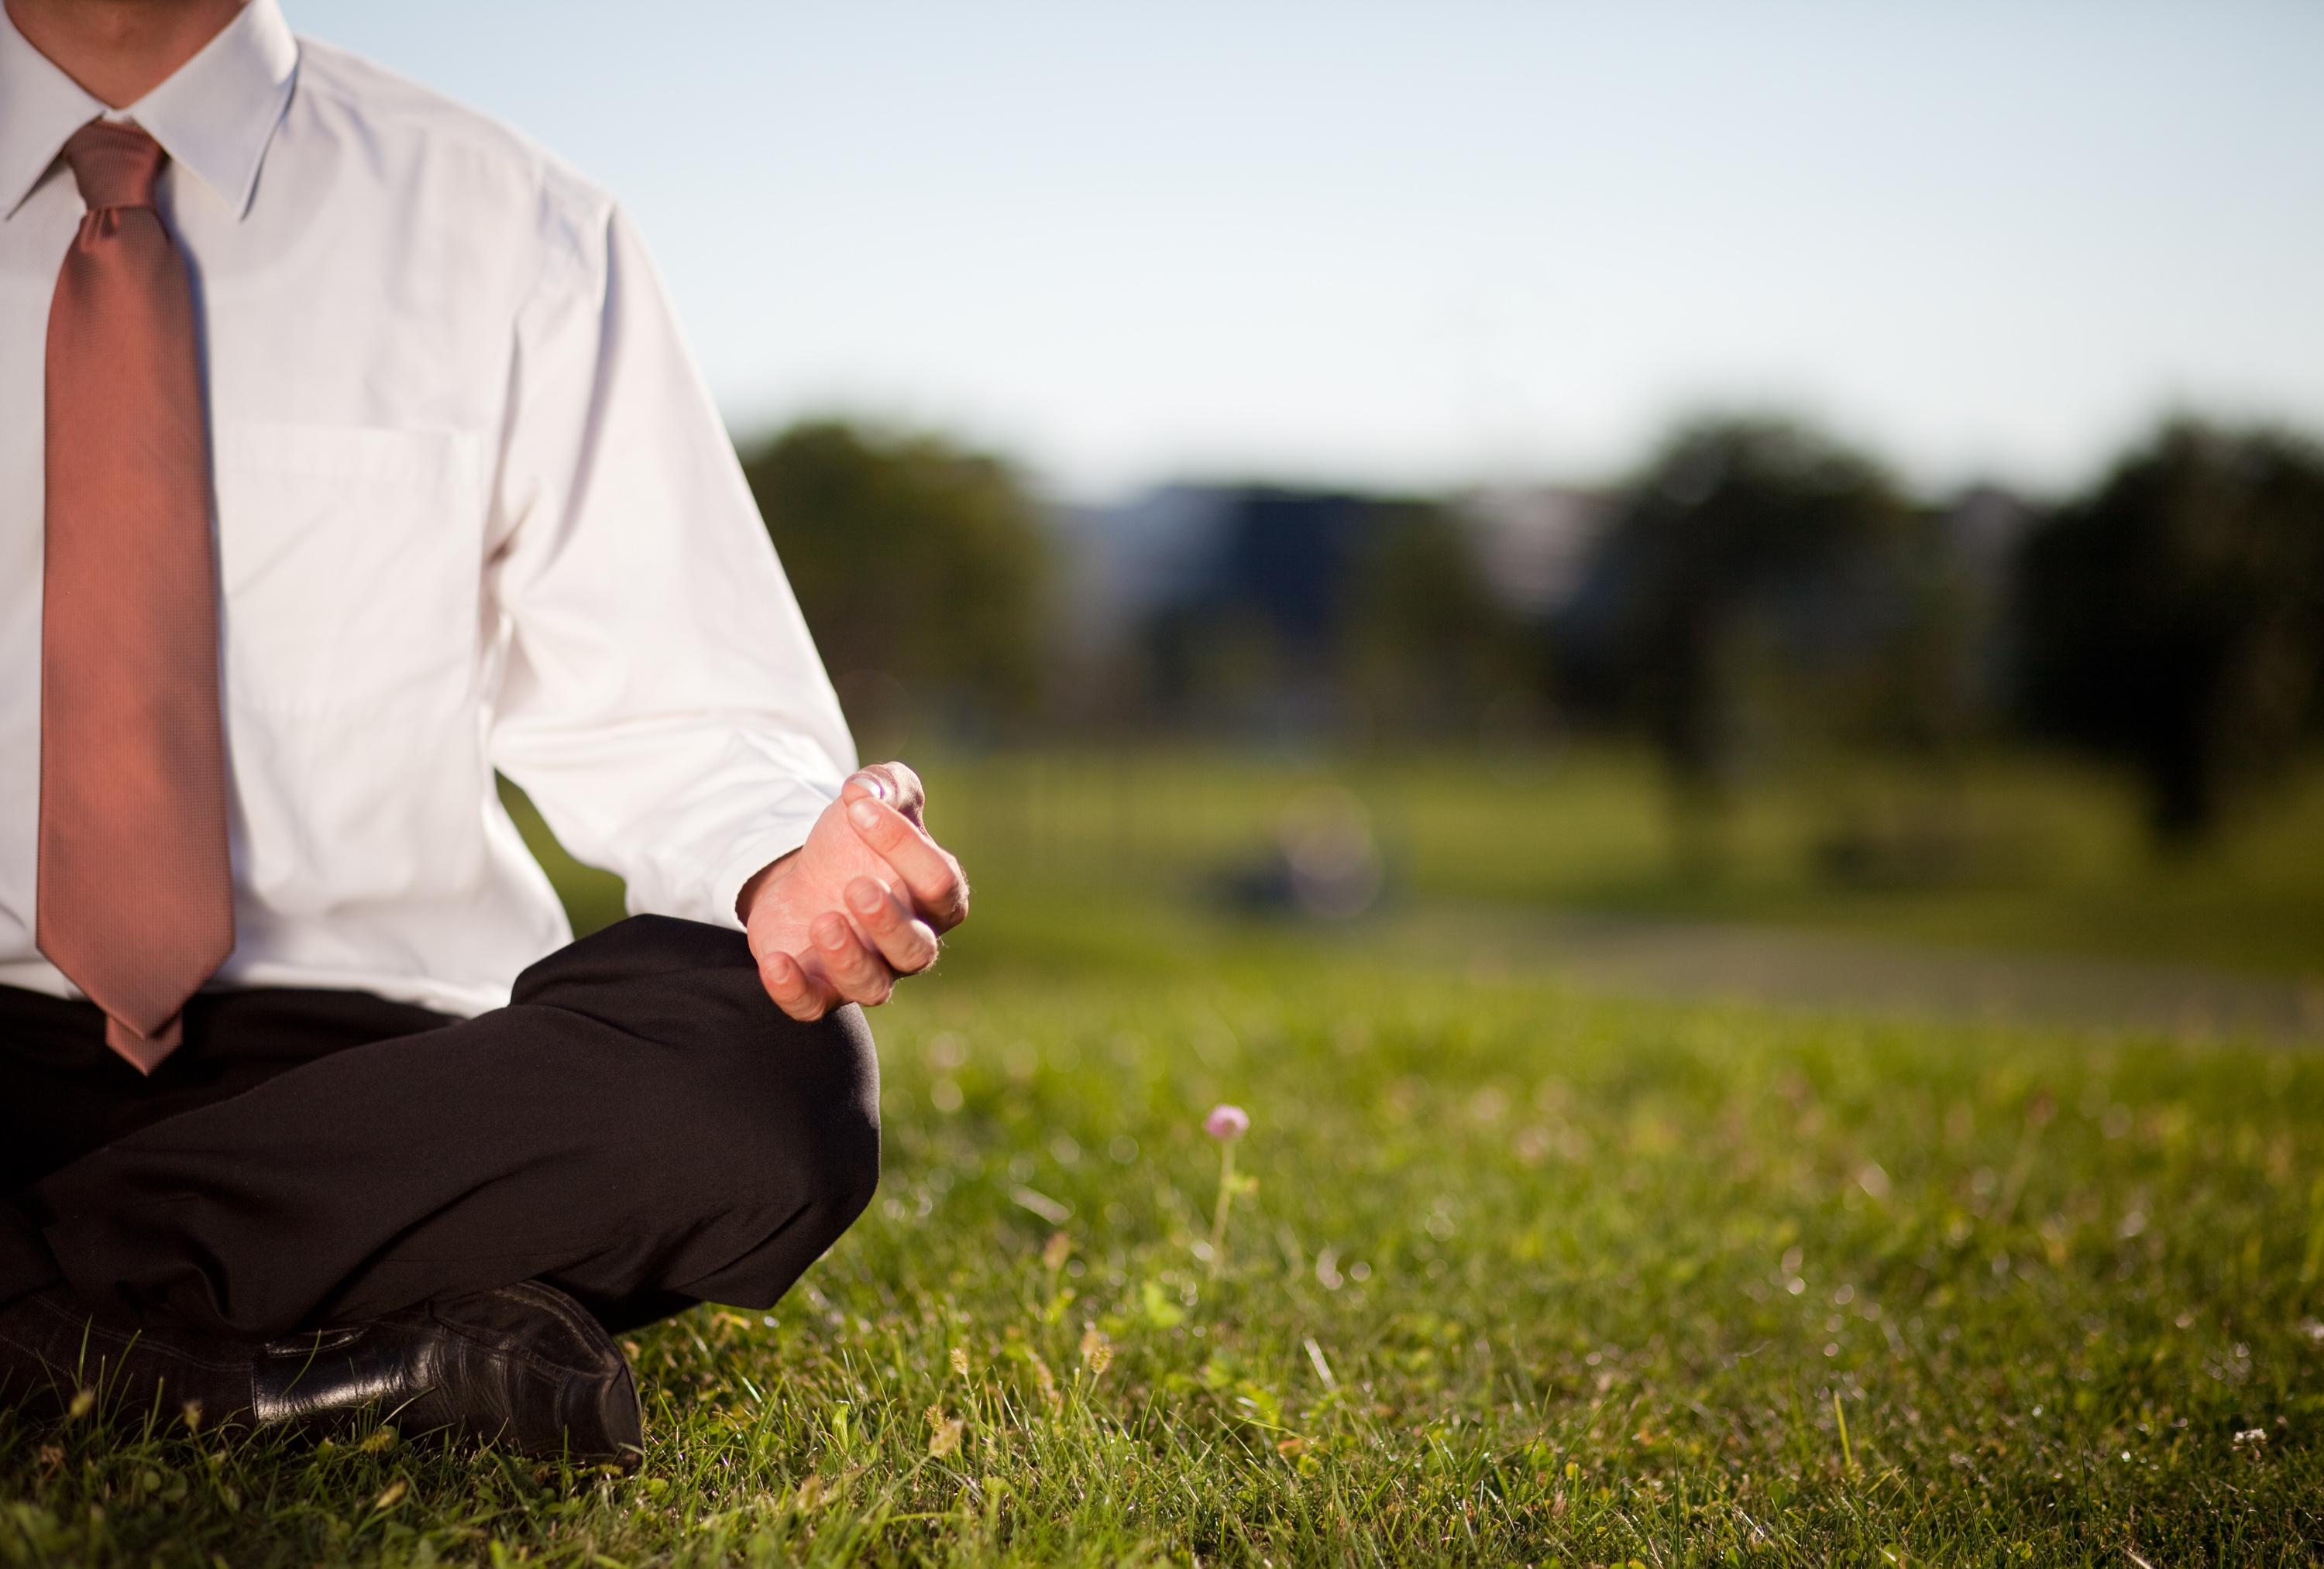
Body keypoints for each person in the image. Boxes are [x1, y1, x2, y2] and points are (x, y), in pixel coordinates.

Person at [0, 0, 968, 1464]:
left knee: (771, 1077)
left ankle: (47, 1310)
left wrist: (786, 860)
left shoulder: (516, 224)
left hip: (367, 1087)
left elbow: (682, 708)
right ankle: (260, 1365)